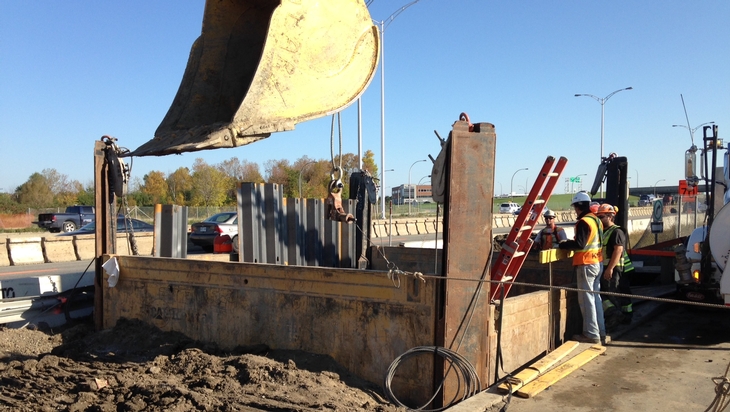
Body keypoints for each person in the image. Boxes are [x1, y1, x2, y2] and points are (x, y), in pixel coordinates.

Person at [558, 191, 606, 344]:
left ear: (579, 206)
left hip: (586, 263)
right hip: (597, 262)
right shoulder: (596, 220)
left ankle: (591, 334)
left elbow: (580, 244)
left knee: (586, 300)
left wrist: (564, 244)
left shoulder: (584, 222)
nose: (575, 211)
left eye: (575, 207)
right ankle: (600, 332)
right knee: (595, 298)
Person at [596, 203, 635, 329]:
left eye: (601, 217)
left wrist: (610, 269)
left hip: (614, 268)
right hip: (609, 268)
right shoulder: (604, 231)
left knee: (612, 294)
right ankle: (623, 317)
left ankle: (617, 318)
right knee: (611, 293)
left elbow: (618, 250)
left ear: (610, 216)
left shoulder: (616, 232)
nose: (599, 220)